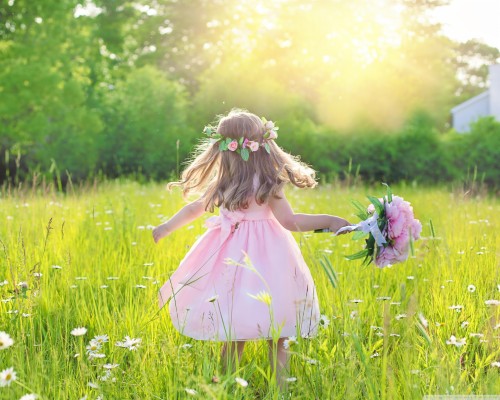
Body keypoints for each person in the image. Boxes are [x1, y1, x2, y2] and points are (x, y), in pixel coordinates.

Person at [153, 109, 351, 389]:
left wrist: (165, 228)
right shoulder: (268, 182)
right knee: (277, 333)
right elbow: (291, 222)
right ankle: (278, 390)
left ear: (224, 150)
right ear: (263, 147)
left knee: (234, 330)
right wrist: (328, 220)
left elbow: (193, 209)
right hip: (271, 257)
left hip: (232, 256)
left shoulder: (225, 183)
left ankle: (227, 388)